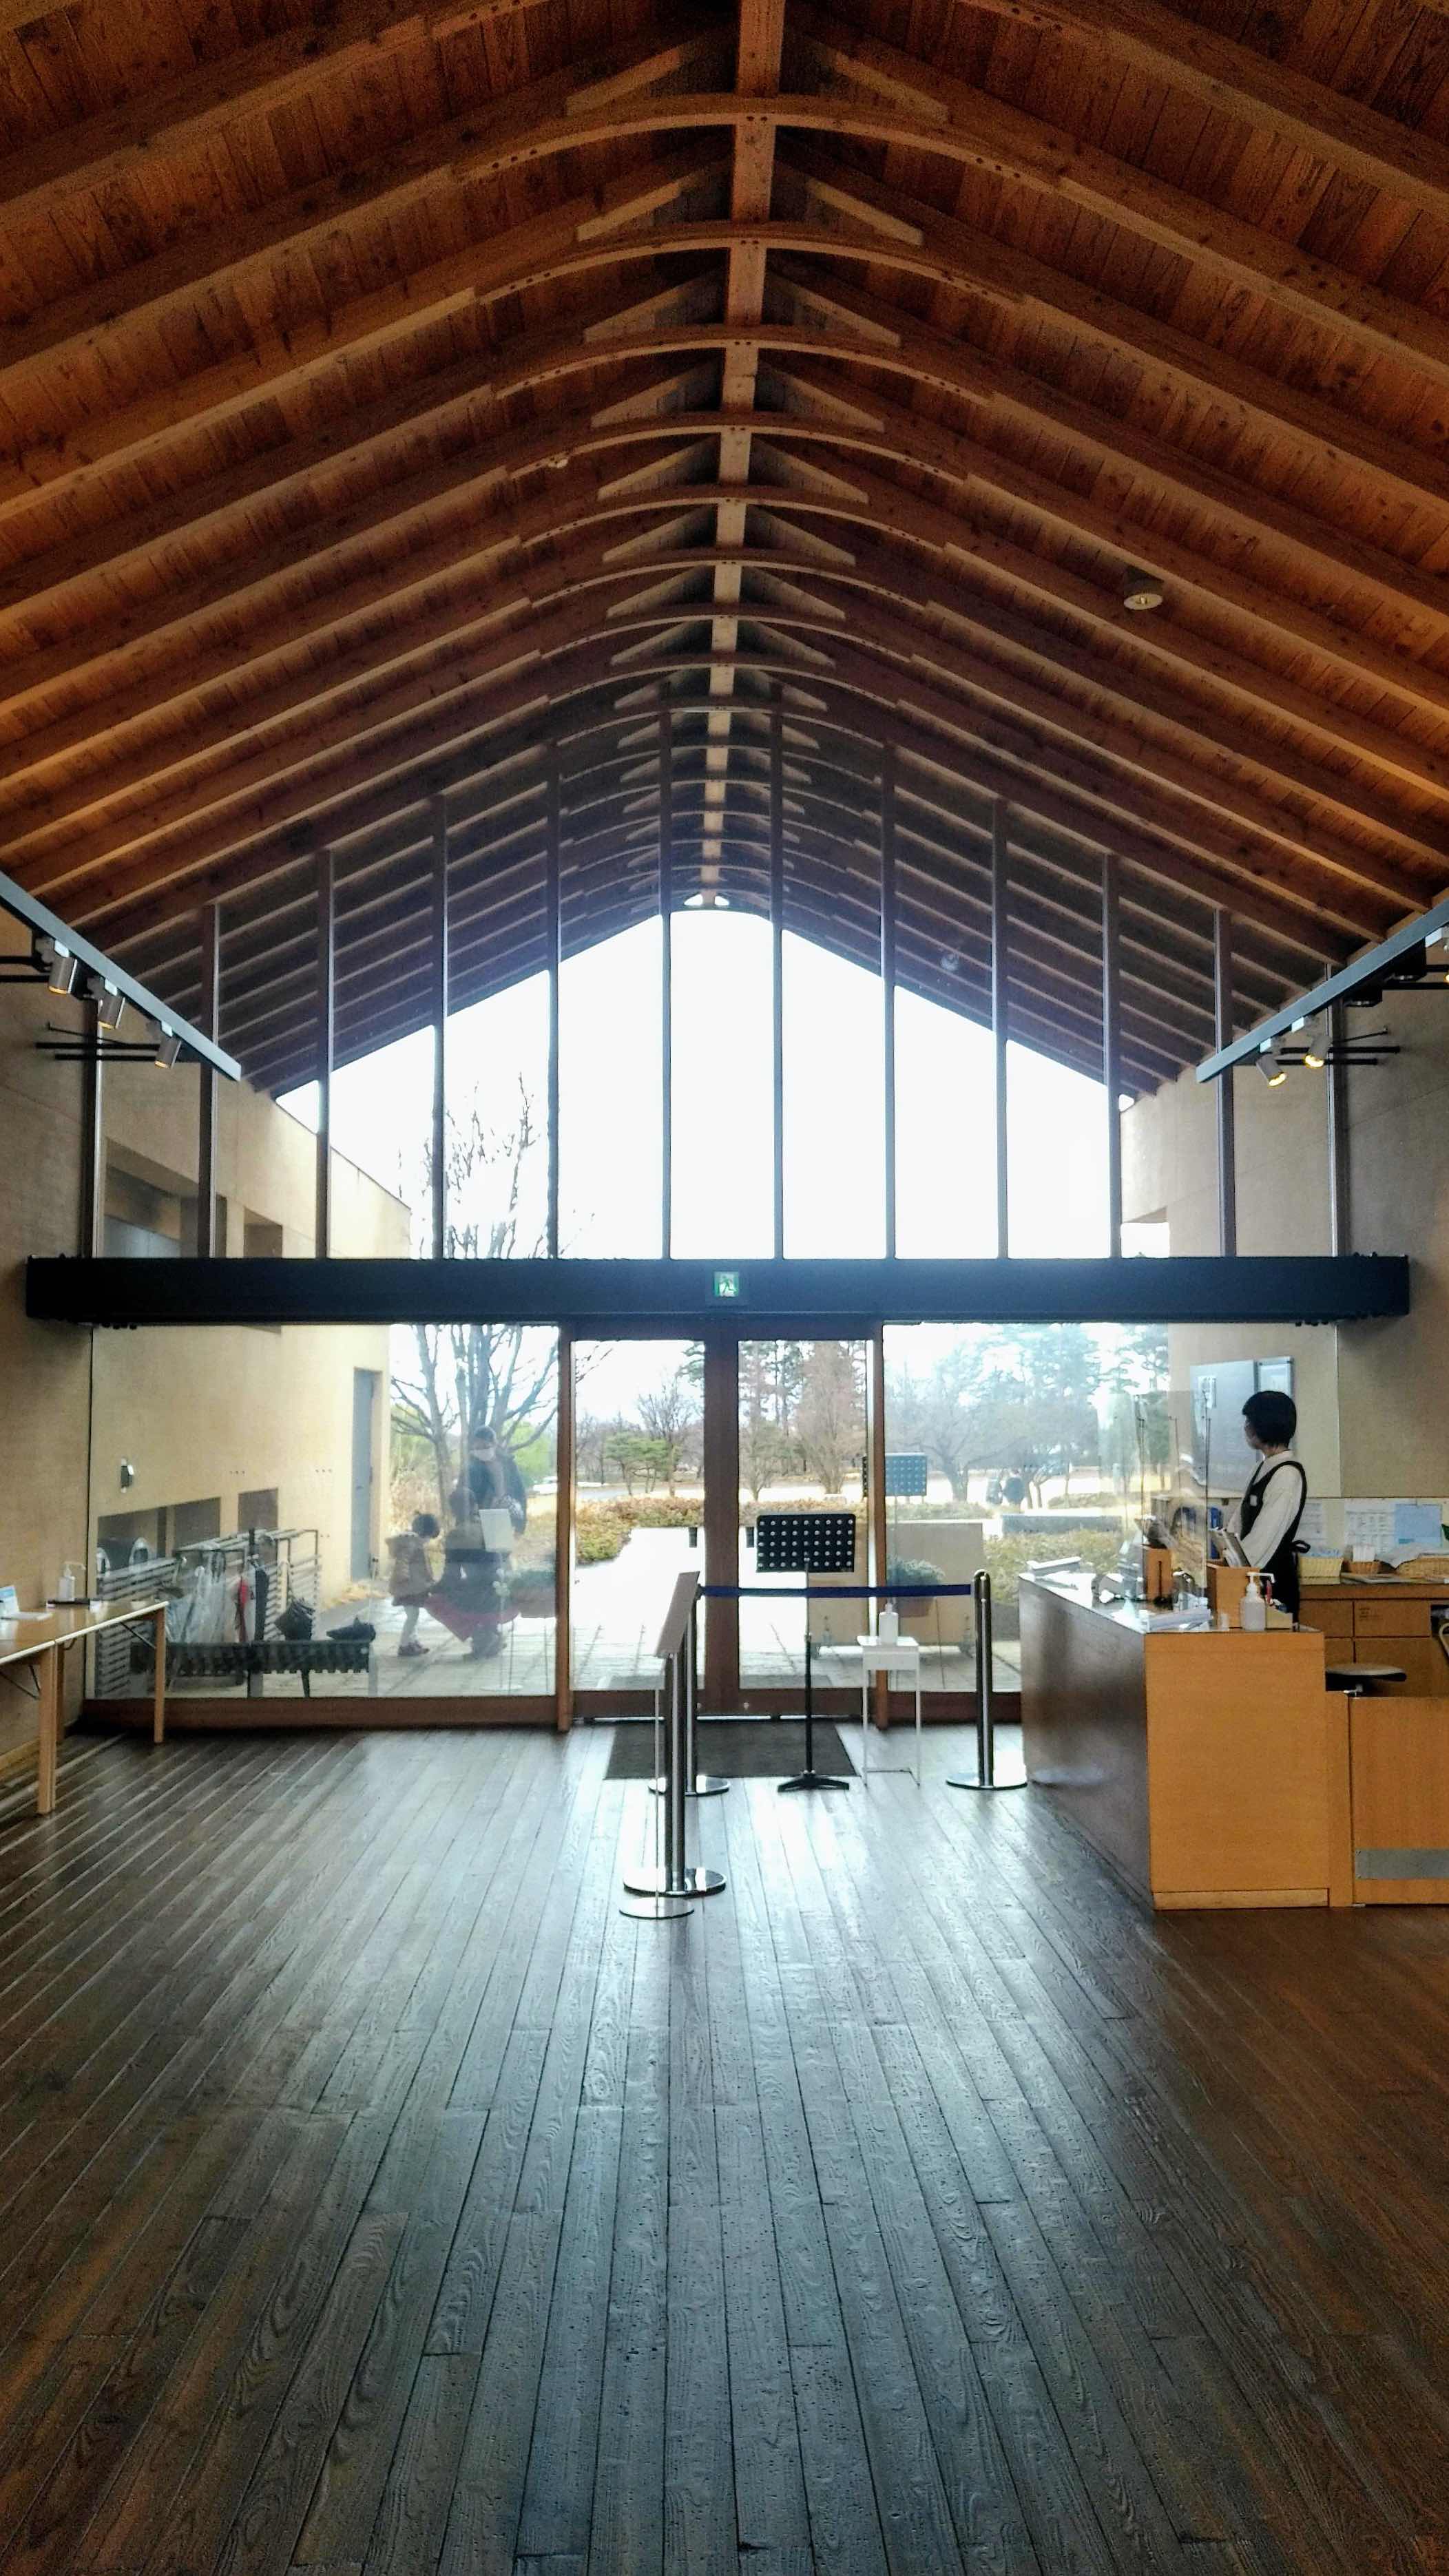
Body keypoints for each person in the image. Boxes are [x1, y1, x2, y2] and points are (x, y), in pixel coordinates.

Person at [1224, 1388, 1309, 1617]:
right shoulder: (1262, 1467)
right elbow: (1238, 1523)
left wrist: (1233, 1565)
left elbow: (1264, 1537)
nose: (1246, 1428)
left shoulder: (1287, 1474)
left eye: (1250, 1422)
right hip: (1250, 1577)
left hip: (1272, 1584)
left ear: (1265, 1425)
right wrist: (1225, 1548)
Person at [388, 1511, 438, 1659]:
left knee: (413, 1616)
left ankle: (413, 1642)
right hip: (408, 1587)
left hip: (413, 1587)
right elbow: (403, 1561)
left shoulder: (416, 1543)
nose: (428, 1541)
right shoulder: (412, 1544)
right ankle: (404, 1645)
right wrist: (402, 1577)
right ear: (425, 1533)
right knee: (413, 1616)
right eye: (429, 1537)